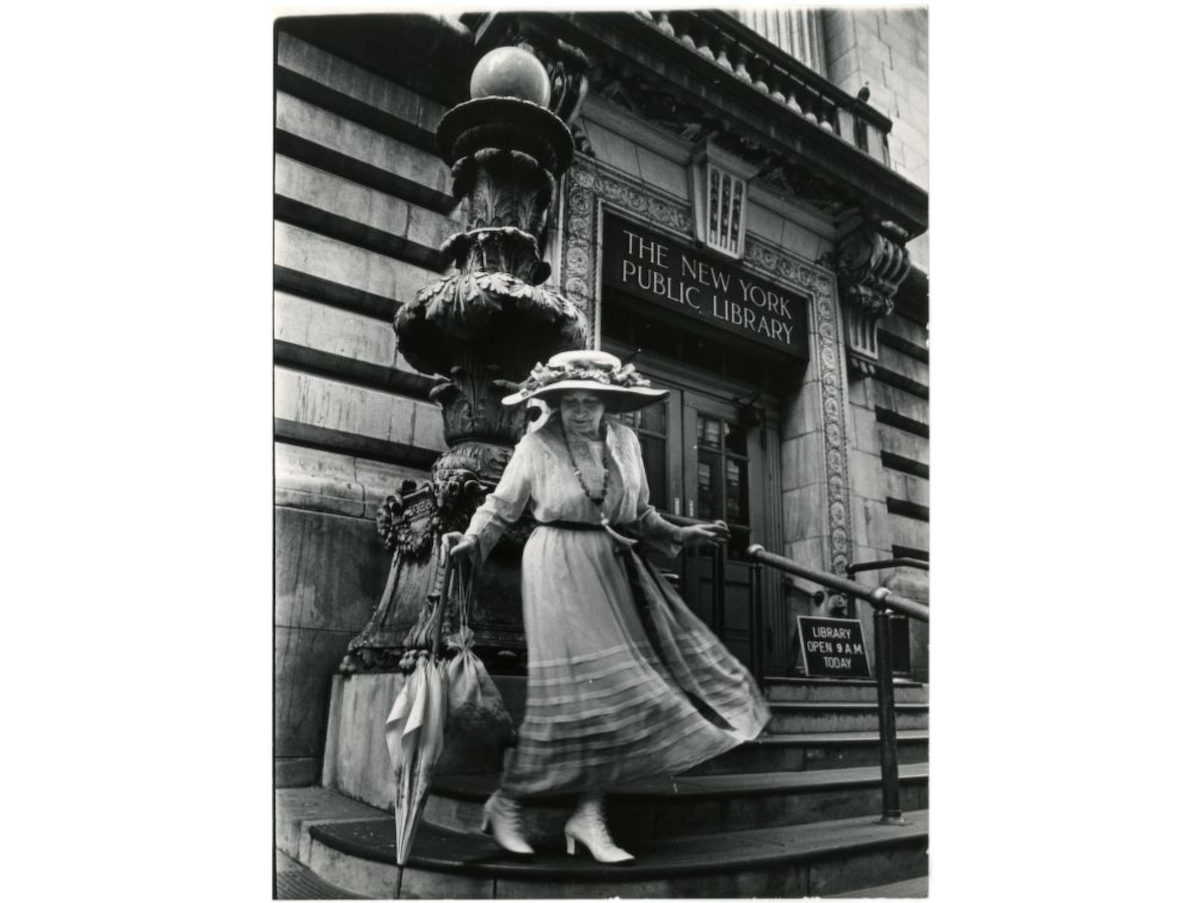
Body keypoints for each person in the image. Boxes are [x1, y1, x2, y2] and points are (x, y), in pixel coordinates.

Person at [442, 350, 769, 863]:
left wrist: (684, 531)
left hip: (611, 561)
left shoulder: (625, 442)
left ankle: (586, 814)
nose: (579, 411)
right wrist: (472, 540)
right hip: (555, 560)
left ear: (607, 403)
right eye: (569, 401)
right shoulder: (536, 444)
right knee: (573, 694)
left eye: (590, 401)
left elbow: (638, 514)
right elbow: (500, 508)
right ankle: (510, 804)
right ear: (553, 402)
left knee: (612, 694)